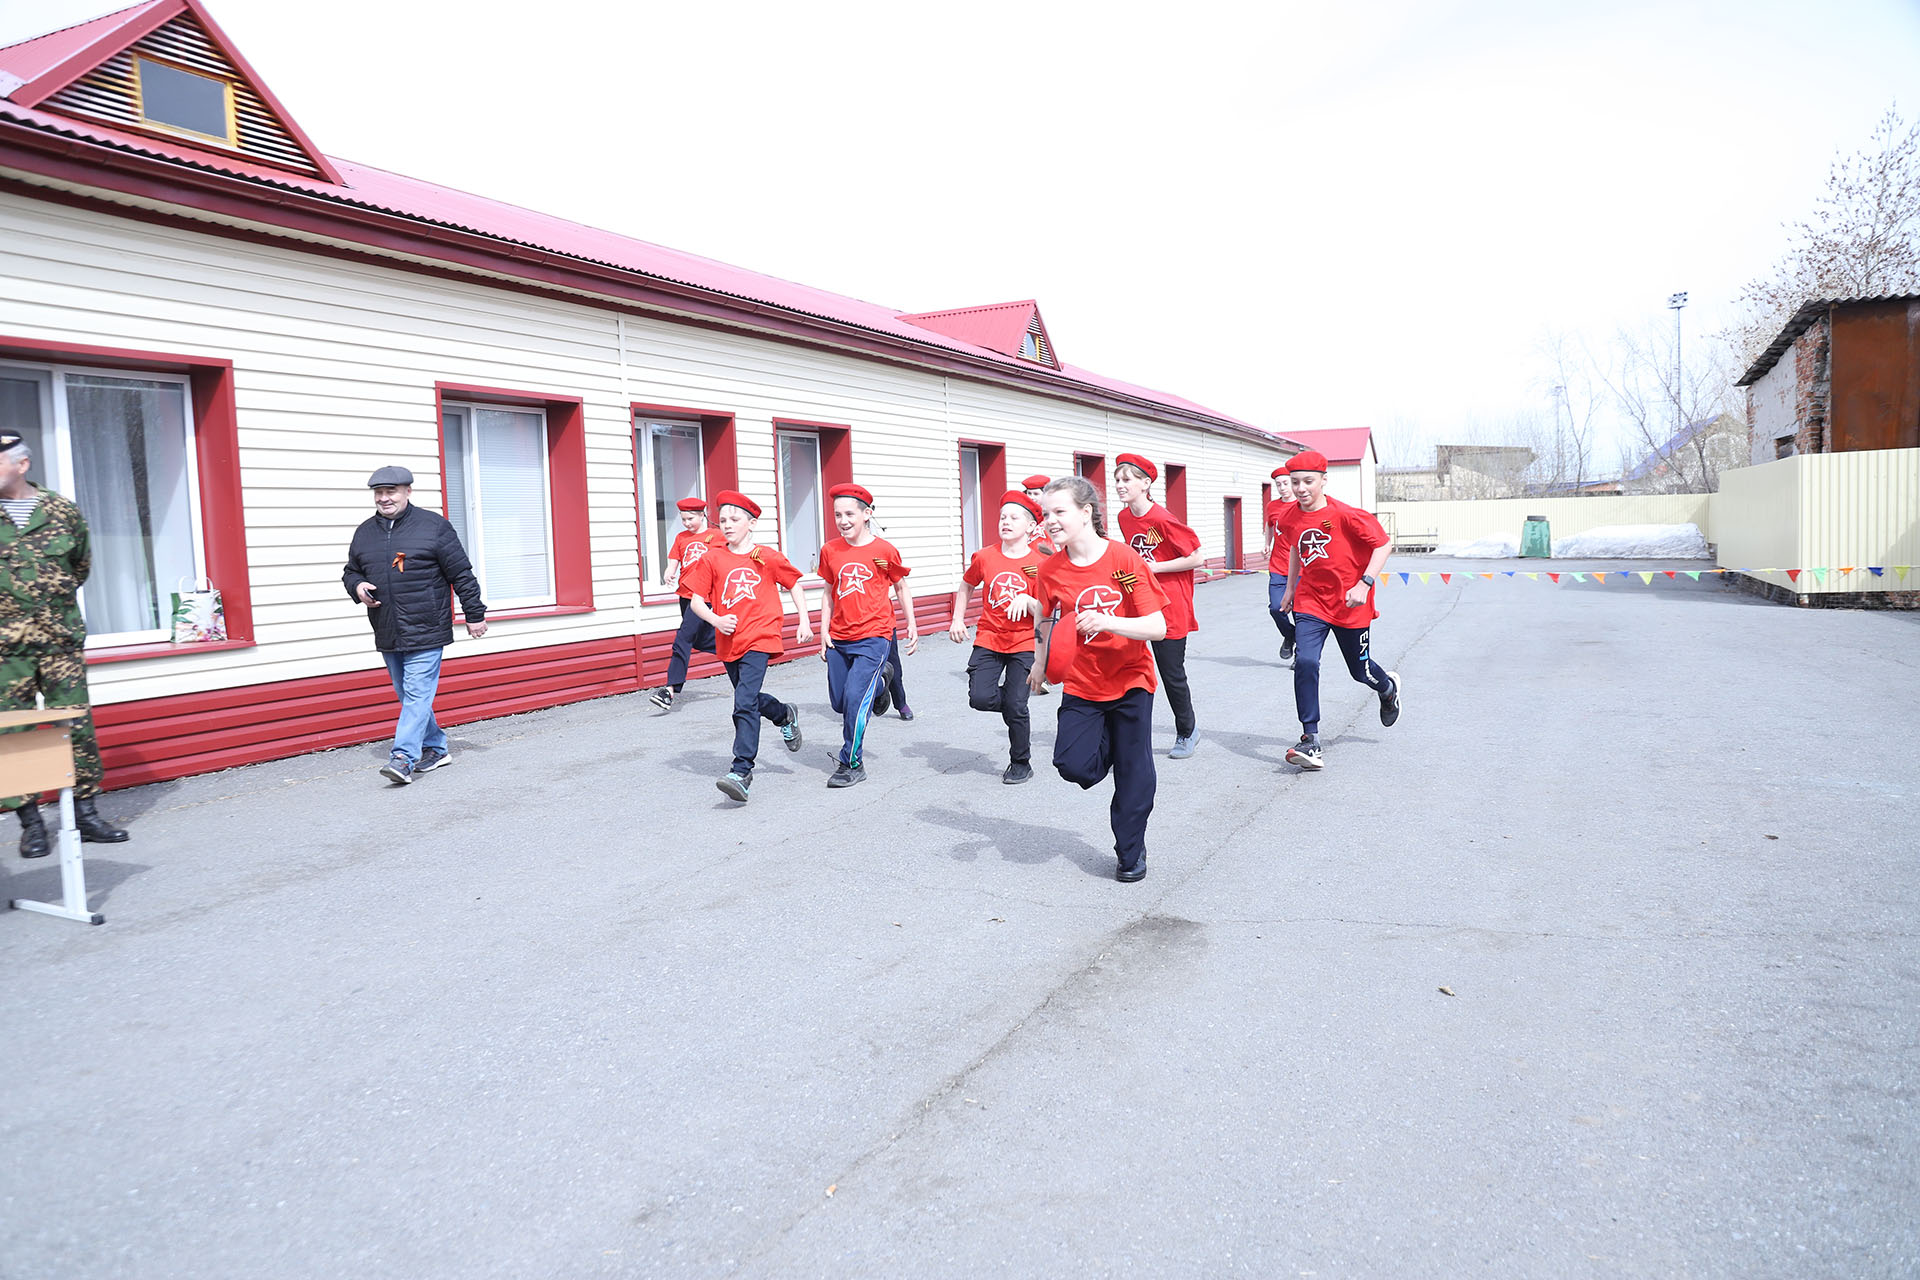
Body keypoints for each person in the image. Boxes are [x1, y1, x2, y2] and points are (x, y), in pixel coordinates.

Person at [1018, 475, 1168, 883]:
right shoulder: (1050, 569)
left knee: (1135, 775)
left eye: (1059, 512)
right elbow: (1045, 618)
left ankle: (1130, 853)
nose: (1049, 520)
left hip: (1130, 678)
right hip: (1082, 682)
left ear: (1086, 513)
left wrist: (1108, 621)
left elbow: (1156, 626)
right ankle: (1113, 752)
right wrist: (1038, 661)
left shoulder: (1124, 562)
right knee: (1073, 765)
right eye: (1045, 513)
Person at [0, 429, 130, 857]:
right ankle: (30, 822)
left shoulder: (60, 510)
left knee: (75, 726)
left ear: (22, 464)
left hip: (60, 644)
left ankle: (86, 813)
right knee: (11, 734)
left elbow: (79, 567)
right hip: (5, 650)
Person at [343, 465, 488, 785]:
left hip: (426, 627)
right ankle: (436, 748)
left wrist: (474, 614)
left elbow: (461, 574)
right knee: (409, 695)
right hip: (387, 627)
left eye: (390, 491)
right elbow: (351, 571)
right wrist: (357, 587)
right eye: (378, 493)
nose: (384, 498)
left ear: (408, 491)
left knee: (417, 693)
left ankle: (403, 758)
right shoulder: (365, 532)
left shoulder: (433, 527)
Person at [679, 490, 812, 802]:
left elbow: (795, 585)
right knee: (748, 697)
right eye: (722, 519)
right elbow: (696, 602)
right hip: (729, 639)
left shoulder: (766, 557)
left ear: (751, 523)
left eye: (734, 519)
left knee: (743, 703)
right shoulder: (712, 558)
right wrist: (716, 620)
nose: (727, 524)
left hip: (760, 636)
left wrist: (804, 621)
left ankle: (741, 771)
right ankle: (783, 714)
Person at [1275, 450, 1401, 771]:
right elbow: (1294, 547)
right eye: (1295, 482)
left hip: (1350, 603)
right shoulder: (1289, 516)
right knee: (1304, 661)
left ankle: (1387, 689)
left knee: (1361, 672)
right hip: (1311, 601)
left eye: (1308, 482)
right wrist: (1290, 588)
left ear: (1323, 481)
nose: (1301, 488)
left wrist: (1365, 583)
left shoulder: (1346, 515)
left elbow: (1383, 544)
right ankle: (1310, 739)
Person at [816, 483, 914, 788]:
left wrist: (912, 623)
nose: (843, 520)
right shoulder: (830, 550)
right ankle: (882, 682)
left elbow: (900, 587)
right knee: (840, 703)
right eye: (837, 515)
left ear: (867, 514)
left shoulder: (884, 551)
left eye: (849, 514)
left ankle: (852, 763)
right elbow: (828, 592)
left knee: (856, 700)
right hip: (839, 637)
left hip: (875, 634)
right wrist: (822, 630)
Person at [948, 490, 1045, 784]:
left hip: (1025, 641)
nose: (1006, 521)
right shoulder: (985, 556)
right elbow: (966, 586)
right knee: (979, 697)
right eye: (1003, 516)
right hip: (989, 637)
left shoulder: (1041, 562)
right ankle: (1017, 704)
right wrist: (957, 619)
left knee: (1016, 706)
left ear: (1031, 526)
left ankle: (1020, 762)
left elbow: (1052, 607)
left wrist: (1028, 601)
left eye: (1015, 517)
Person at [1113, 452, 1204, 759]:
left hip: (1171, 606)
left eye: (1127, 479)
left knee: (1171, 674)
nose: (1120, 485)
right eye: (1117, 479)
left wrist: (1155, 567)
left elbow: (1197, 557)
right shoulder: (1124, 518)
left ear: (1146, 483)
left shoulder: (1163, 519)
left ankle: (1187, 731)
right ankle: (1122, 734)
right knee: (1128, 668)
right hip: (1139, 602)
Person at [648, 496, 725, 710]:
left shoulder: (716, 535)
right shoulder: (681, 537)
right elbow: (674, 560)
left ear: (703, 515)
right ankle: (736, 650)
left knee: (683, 637)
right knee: (699, 640)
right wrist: (668, 573)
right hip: (685, 594)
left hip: (704, 597)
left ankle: (669, 690)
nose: (687, 523)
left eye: (691, 518)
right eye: (683, 519)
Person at [1262, 466, 1299, 663]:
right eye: (1278, 484)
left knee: (1301, 612)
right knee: (1276, 608)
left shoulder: (1302, 505)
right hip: (1278, 565)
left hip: (1302, 568)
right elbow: (1269, 526)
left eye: (1286, 483)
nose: (1282, 488)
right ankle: (1289, 634)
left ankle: (1301, 655)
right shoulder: (1272, 507)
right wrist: (1267, 544)